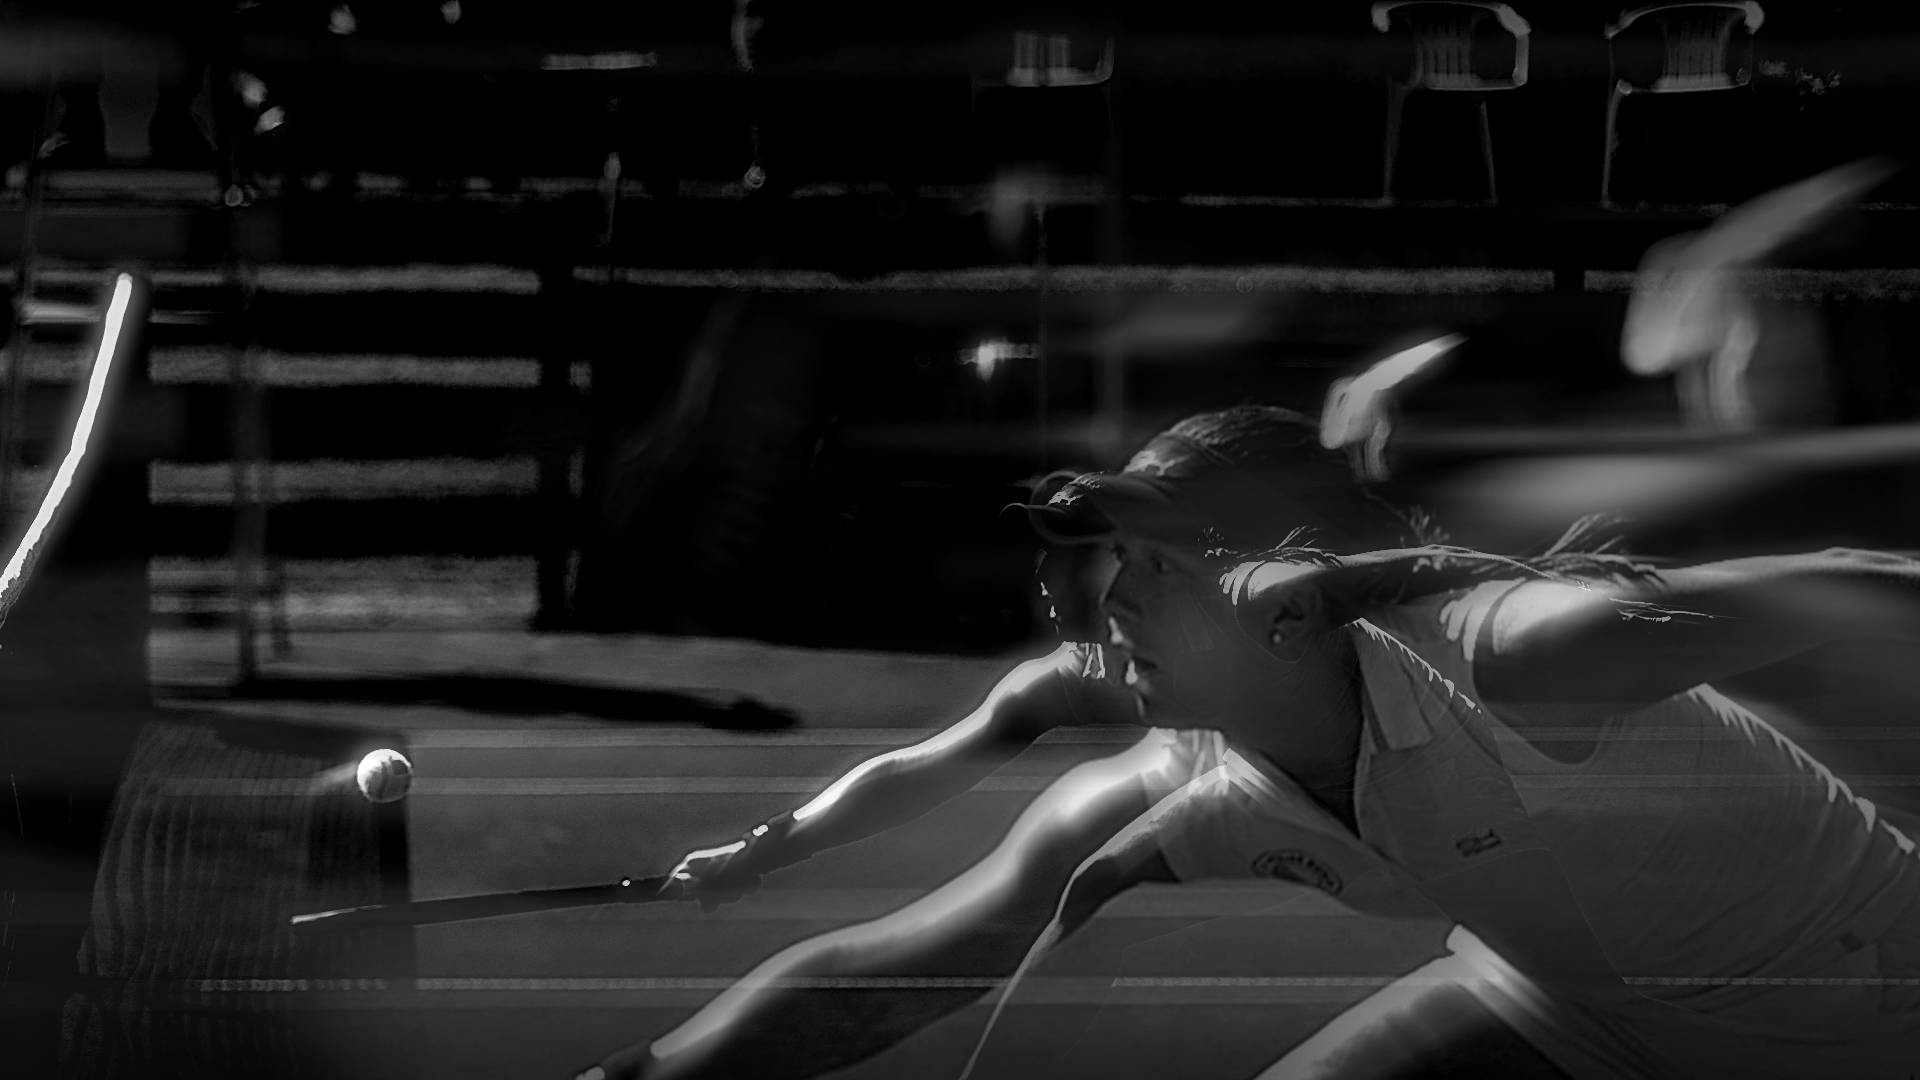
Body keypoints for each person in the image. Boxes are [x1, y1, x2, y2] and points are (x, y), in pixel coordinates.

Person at [571, 404, 1649, 1080]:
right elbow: (929, 776)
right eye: (1122, 556)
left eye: (1160, 563)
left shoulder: (1485, 670)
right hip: (1519, 975)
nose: (1115, 597)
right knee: (958, 937)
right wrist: (772, 844)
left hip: (1655, 980)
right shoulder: (1140, 708)